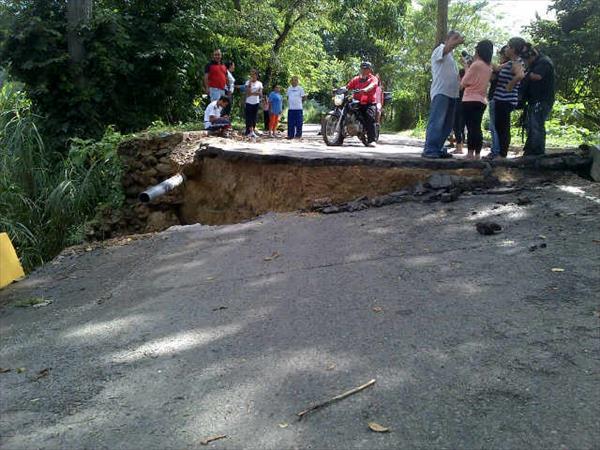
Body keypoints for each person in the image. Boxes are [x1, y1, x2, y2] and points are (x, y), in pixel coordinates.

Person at [422, 31, 465, 159]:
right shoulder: (440, 49)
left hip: (453, 94)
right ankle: (430, 149)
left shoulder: (451, 57)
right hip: (441, 92)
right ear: (447, 39)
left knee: (447, 124)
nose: (457, 40)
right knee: (437, 122)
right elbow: (448, 48)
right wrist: (456, 43)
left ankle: (439, 148)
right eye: (454, 38)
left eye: (458, 38)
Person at [487, 38, 526, 159]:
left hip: (506, 100)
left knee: (503, 128)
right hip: (500, 100)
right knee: (499, 126)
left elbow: (520, 75)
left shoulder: (517, 62)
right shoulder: (510, 62)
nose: (506, 49)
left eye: (508, 47)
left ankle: (502, 154)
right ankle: (500, 153)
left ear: (513, 49)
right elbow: (497, 68)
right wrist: (484, 59)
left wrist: (511, 84)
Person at [520, 43, 555, 156]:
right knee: (531, 126)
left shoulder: (544, 62)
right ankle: (530, 151)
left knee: (536, 126)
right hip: (534, 100)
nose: (525, 62)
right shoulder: (536, 63)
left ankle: (537, 154)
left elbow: (537, 76)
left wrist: (523, 73)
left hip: (542, 100)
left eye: (526, 59)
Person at [461, 40, 493, 160]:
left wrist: (466, 66)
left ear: (478, 51)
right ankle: (477, 154)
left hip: (469, 99)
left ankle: (470, 153)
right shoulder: (488, 66)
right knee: (477, 127)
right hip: (482, 100)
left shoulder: (476, 64)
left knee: (471, 128)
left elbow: (464, 82)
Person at [346, 61, 379, 146]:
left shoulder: (373, 78)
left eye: (366, 68)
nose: (364, 70)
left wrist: (366, 89)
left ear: (370, 69)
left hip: (369, 103)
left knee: (369, 117)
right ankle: (340, 136)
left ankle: (372, 140)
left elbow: (373, 85)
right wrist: (341, 89)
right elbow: (348, 86)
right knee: (347, 108)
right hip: (357, 102)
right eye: (362, 68)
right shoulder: (356, 79)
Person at [451, 69, 466, 154]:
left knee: (457, 127)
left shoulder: (461, 85)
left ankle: (459, 148)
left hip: (459, 106)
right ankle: (459, 147)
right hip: (463, 106)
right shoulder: (466, 84)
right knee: (461, 127)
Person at [244, 69, 263, 138]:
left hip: (256, 102)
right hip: (249, 102)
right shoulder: (247, 82)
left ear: (257, 75)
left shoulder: (259, 83)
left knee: (254, 118)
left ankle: (253, 131)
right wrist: (249, 84)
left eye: (255, 74)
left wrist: (252, 93)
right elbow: (247, 92)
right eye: (252, 75)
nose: (253, 76)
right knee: (248, 117)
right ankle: (248, 131)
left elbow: (260, 94)